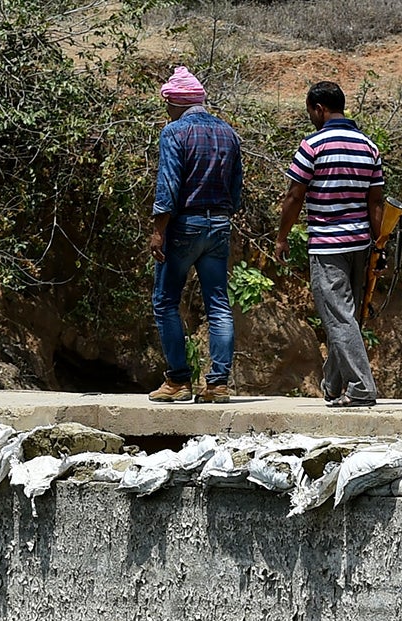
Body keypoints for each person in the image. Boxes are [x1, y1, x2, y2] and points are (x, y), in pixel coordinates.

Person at [273, 81, 385, 408]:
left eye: (310, 111)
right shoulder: (369, 147)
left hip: (327, 246)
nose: (310, 117)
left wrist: (282, 237)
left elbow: (295, 196)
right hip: (360, 245)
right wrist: (378, 247)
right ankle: (333, 385)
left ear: (319, 109)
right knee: (347, 316)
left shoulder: (312, 146)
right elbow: (375, 203)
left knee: (339, 317)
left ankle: (362, 388)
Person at [149, 66, 243, 404]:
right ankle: (218, 384)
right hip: (219, 224)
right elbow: (236, 188)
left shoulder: (174, 132)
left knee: (165, 302)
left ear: (176, 103)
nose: (166, 111)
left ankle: (177, 381)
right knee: (218, 304)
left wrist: (159, 230)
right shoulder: (228, 132)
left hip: (184, 226)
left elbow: (168, 184)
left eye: (167, 104)